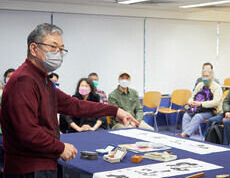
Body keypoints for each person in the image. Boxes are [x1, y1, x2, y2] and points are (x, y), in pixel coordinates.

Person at [0, 23, 138, 177]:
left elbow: (74, 105)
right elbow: (28, 133)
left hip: (43, 163)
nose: (58, 53)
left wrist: (114, 110)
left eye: (61, 49)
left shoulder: (43, 80)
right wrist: (59, 147)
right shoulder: (24, 81)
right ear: (33, 49)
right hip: (28, 168)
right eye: (53, 47)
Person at [178, 69, 222, 138]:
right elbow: (193, 96)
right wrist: (190, 102)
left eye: (207, 76)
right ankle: (186, 136)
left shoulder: (217, 87)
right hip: (197, 108)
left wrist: (201, 104)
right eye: (203, 76)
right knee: (186, 116)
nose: (205, 78)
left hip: (211, 110)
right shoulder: (199, 85)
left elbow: (215, 102)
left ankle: (184, 135)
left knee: (198, 116)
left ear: (212, 77)